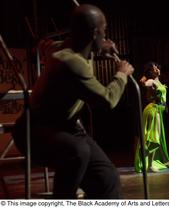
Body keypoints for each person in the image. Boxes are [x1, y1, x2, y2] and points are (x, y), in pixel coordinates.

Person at [12, 4, 134, 198]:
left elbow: (54, 46)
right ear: (95, 33)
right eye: (104, 31)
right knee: (77, 151)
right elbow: (107, 100)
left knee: (107, 177)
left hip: (65, 128)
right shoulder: (71, 61)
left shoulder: (72, 46)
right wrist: (121, 74)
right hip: (34, 132)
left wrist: (99, 47)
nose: (106, 35)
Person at [134, 61, 169, 173]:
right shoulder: (151, 80)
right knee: (154, 139)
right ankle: (149, 165)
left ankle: (165, 161)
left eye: (157, 67)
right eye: (154, 68)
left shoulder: (158, 81)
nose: (157, 69)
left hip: (159, 111)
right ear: (150, 72)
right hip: (153, 110)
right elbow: (144, 83)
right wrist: (144, 79)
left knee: (160, 138)